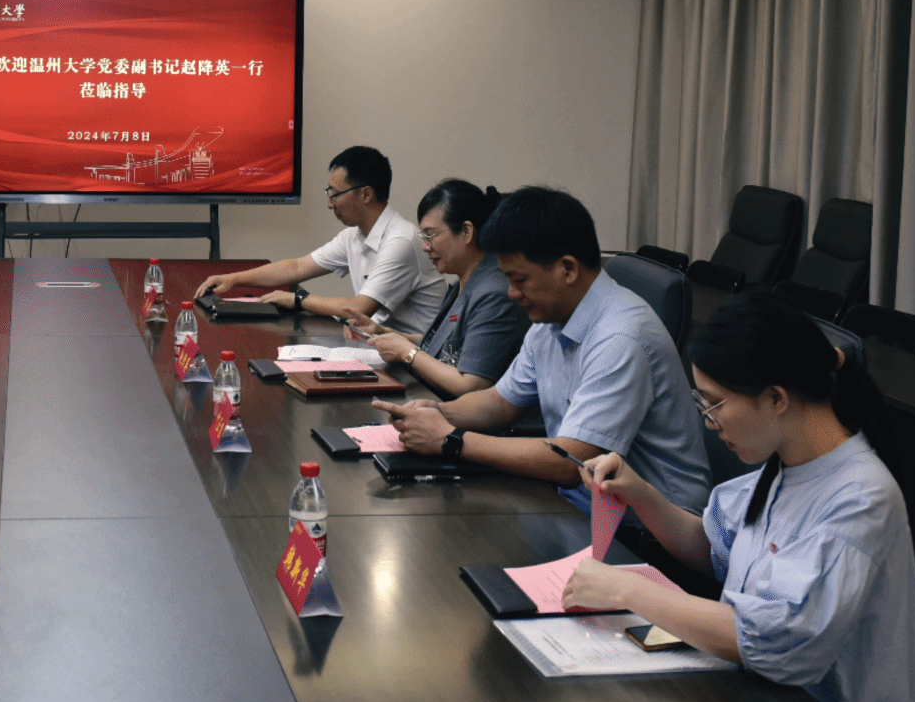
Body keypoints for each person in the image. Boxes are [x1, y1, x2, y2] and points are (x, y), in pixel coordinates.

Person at [562, 292, 915, 702]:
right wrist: (640, 493)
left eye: (714, 404)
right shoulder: (786, 464)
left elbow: (778, 642)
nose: (709, 422)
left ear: (775, 398)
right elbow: (715, 550)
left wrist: (628, 590)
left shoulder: (862, 498)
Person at [374, 185, 709, 515]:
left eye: (520, 280)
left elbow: (572, 461)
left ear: (568, 269)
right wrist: (436, 413)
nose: (511, 293)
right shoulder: (550, 321)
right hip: (577, 503)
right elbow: (499, 403)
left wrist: (450, 439)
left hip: (647, 531)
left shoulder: (620, 339)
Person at [195, 145, 445, 330]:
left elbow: (358, 309)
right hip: (380, 346)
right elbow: (296, 267)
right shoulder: (354, 236)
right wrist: (233, 279)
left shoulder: (400, 241)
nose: (329, 204)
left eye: (334, 194)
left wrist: (298, 300)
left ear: (366, 194)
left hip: (415, 364)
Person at [346, 179, 529, 397]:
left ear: (467, 232)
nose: (425, 246)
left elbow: (470, 385)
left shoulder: (494, 293)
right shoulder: (465, 282)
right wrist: (383, 332)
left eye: (431, 236)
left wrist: (407, 352)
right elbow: (441, 346)